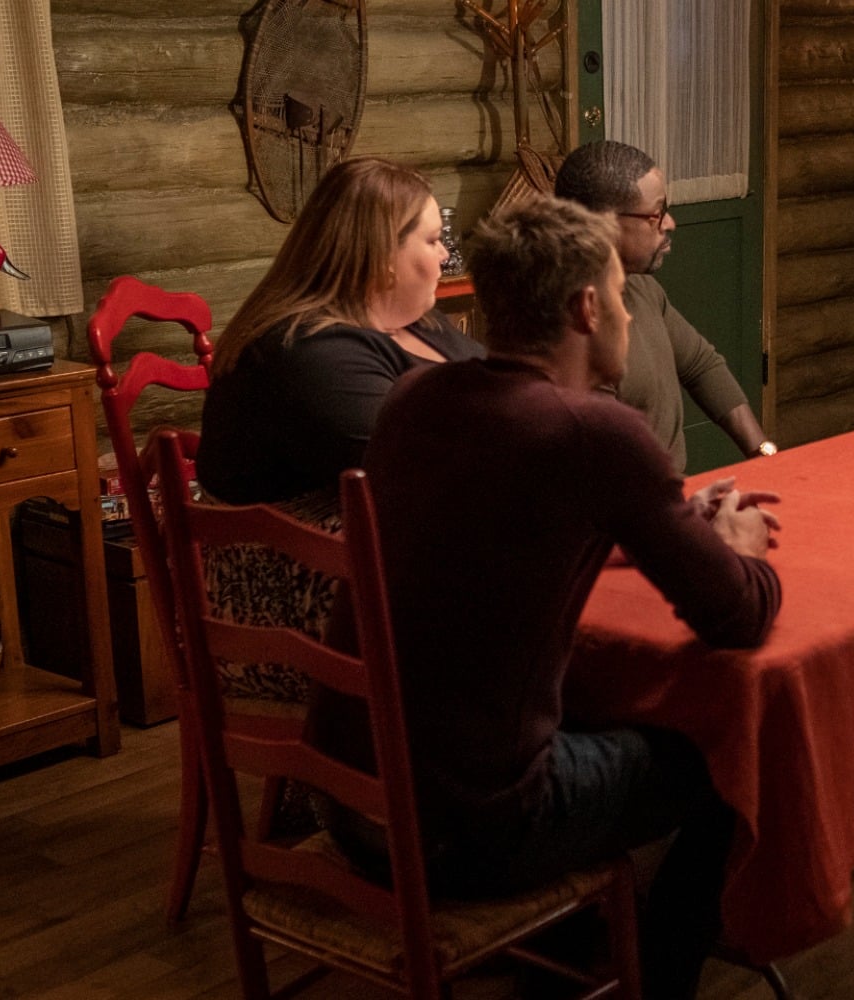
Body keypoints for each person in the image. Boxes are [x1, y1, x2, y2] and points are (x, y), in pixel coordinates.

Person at [325, 194, 781, 1000]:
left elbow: (522, 531)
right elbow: (738, 616)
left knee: (591, 715)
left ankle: (576, 953)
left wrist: (671, 521)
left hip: (352, 808)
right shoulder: (594, 432)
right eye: (620, 297)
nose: (630, 318)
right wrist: (736, 546)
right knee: (732, 758)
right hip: (469, 834)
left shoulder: (414, 399)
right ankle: (655, 985)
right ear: (586, 308)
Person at [198, 156, 484, 504]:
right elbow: (414, 471)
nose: (444, 255)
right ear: (384, 256)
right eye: (433, 240)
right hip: (313, 537)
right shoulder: (312, 351)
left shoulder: (418, 319)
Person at [552, 140, 774, 473]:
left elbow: (701, 366)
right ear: (604, 224)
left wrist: (765, 455)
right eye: (657, 214)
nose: (670, 223)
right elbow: (608, 475)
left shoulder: (643, 289)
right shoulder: (575, 330)